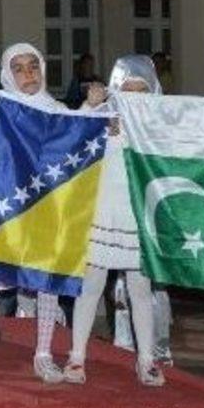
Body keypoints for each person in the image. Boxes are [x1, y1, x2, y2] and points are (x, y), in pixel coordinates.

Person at [0, 42, 97, 385]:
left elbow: (80, 134)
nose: (28, 74)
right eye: (19, 68)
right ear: (7, 75)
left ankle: (43, 354)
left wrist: (92, 108)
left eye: (33, 66)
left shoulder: (58, 110)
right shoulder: (3, 111)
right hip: (9, 210)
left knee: (46, 282)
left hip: (47, 212)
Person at [64, 54, 166, 387]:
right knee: (90, 288)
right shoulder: (102, 117)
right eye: (127, 90)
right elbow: (71, 137)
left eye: (141, 91)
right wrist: (91, 108)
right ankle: (77, 356)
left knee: (141, 290)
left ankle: (146, 359)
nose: (133, 98)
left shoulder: (157, 125)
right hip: (102, 212)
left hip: (138, 216)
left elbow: (192, 128)